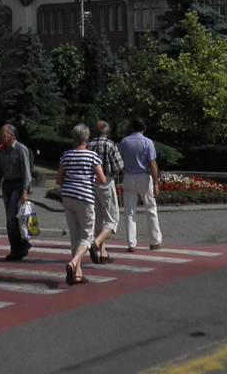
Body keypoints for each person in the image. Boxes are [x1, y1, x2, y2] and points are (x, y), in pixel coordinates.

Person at [57, 124, 108, 285]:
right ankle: (73, 263)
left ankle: (77, 273)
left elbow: (59, 179)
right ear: (87, 138)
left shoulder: (66, 155)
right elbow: (102, 179)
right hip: (85, 198)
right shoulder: (92, 156)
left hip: (67, 197)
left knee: (74, 235)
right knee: (87, 236)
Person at [0, 123, 33, 261]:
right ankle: (19, 246)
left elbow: (26, 171)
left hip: (18, 185)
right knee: (10, 219)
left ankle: (19, 247)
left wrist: (25, 191)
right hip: (7, 186)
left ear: (12, 135)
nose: (1, 136)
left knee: (12, 218)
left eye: (4, 134)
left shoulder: (21, 149)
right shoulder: (1, 151)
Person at [118, 116, 164, 251]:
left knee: (129, 211)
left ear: (132, 127)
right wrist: (155, 183)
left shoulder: (124, 142)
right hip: (144, 177)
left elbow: (120, 161)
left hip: (129, 177)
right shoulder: (148, 142)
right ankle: (154, 241)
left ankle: (131, 243)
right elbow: (153, 164)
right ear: (144, 128)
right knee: (150, 209)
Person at [86, 119, 123, 264]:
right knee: (112, 218)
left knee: (99, 218)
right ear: (107, 132)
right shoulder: (110, 145)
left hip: (91, 183)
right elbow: (119, 165)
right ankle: (96, 243)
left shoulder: (89, 145)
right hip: (106, 181)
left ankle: (103, 253)